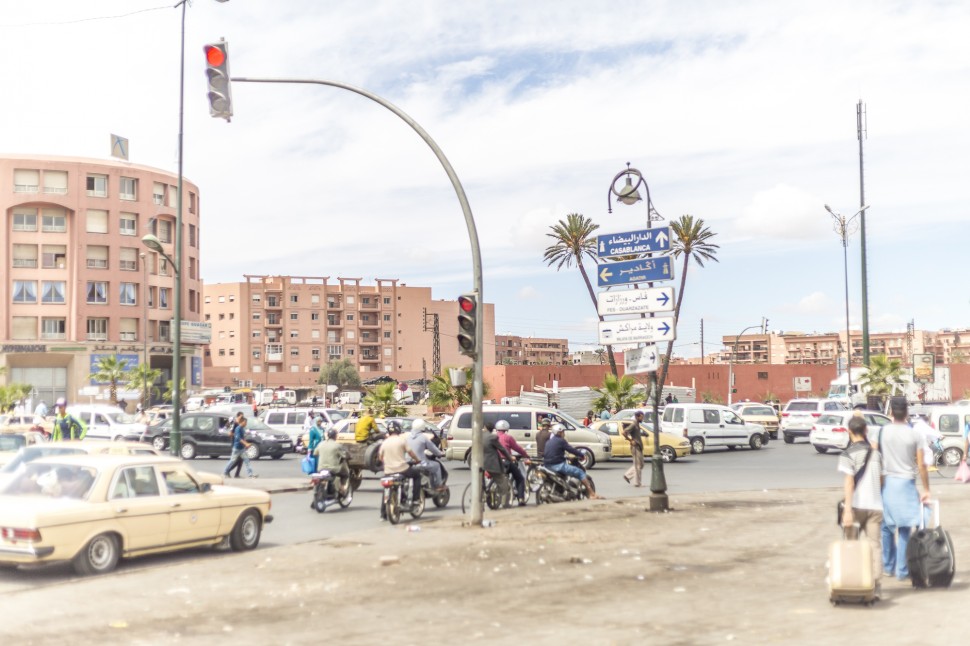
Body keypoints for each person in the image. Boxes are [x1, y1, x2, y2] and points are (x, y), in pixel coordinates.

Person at [876, 397, 929, 581]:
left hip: (888, 483)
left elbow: (876, 458)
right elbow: (921, 464)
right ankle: (902, 570)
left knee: (886, 527)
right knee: (905, 528)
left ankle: (888, 566)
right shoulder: (914, 434)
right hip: (906, 483)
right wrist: (926, 489)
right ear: (906, 412)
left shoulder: (882, 432)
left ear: (891, 412)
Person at [837, 414, 884, 598]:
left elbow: (849, 483)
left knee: (851, 545)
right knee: (875, 546)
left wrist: (847, 510)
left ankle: (853, 582)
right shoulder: (876, 454)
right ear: (865, 431)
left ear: (849, 432)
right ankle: (876, 586)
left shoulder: (847, 455)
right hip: (875, 507)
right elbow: (881, 479)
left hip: (856, 507)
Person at [378, 420, 422, 520]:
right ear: (398, 430)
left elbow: (380, 457)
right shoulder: (401, 440)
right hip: (402, 469)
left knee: (386, 488)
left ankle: (383, 514)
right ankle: (415, 500)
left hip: (388, 471)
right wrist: (417, 460)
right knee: (417, 475)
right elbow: (410, 453)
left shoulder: (384, 442)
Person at [544, 424, 601, 499]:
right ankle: (592, 494)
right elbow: (571, 449)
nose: (564, 433)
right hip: (558, 466)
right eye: (563, 431)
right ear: (560, 432)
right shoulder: (561, 441)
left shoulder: (549, 442)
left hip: (547, 466)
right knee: (580, 473)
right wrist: (581, 455)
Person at [495, 420, 531, 506]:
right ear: (506, 429)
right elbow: (517, 448)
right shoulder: (508, 438)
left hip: (495, 462)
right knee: (520, 478)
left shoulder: (493, 437)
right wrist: (526, 455)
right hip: (506, 462)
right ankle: (521, 499)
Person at [407, 419, 446, 492]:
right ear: (422, 427)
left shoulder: (408, 437)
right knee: (436, 465)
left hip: (409, 463)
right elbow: (434, 449)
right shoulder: (423, 437)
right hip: (420, 463)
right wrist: (441, 453)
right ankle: (438, 485)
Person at [484, 422, 515, 505]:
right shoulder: (492, 437)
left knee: (481, 481)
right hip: (491, 464)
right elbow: (502, 449)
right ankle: (505, 504)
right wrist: (510, 458)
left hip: (479, 463)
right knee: (503, 483)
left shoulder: (479, 436)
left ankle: (483, 493)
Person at [315, 428, 350, 495]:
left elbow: (315, 453)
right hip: (333, 469)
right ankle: (342, 489)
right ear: (335, 436)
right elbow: (344, 455)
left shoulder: (321, 444)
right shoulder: (337, 445)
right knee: (345, 474)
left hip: (320, 468)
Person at [223, 414, 257, 478]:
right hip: (237, 448)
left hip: (242, 449)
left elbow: (243, 438)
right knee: (232, 461)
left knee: (246, 461)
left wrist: (246, 444)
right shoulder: (238, 428)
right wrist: (246, 444)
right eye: (245, 422)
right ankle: (225, 472)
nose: (246, 424)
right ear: (243, 422)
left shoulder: (242, 428)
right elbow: (238, 438)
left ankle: (250, 474)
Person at [622, 412, 645, 487]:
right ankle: (637, 483)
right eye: (641, 417)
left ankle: (627, 475)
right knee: (638, 465)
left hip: (639, 447)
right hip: (635, 447)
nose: (642, 418)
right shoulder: (634, 424)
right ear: (637, 417)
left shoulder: (637, 425)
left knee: (641, 465)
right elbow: (624, 432)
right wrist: (630, 440)